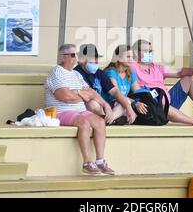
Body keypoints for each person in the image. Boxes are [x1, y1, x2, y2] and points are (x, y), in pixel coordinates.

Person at [44, 44, 114, 175]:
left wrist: (106, 106)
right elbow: (65, 97)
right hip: (60, 112)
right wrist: (82, 94)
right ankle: (87, 162)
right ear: (62, 57)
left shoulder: (76, 74)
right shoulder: (56, 72)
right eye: (72, 54)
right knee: (84, 122)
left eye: (76, 54)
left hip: (79, 111)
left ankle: (100, 161)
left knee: (100, 122)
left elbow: (91, 93)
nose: (75, 57)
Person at [130, 39, 193, 126]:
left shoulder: (157, 68)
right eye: (147, 51)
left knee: (189, 78)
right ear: (136, 52)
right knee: (163, 106)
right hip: (151, 108)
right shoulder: (132, 67)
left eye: (151, 51)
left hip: (168, 101)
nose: (150, 53)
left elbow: (179, 72)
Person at [74, 44, 137, 125]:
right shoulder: (76, 73)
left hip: (102, 108)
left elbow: (114, 91)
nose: (95, 63)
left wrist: (129, 107)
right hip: (86, 107)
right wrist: (106, 106)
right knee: (92, 103)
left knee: (125, 102)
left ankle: (109, 120)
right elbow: (90, 95)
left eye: (97, 60)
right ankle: (109, 120)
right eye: (92, 60)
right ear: (82, 60)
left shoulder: (99, 73)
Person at [103, 45, 147, 122]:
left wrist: (141, 102)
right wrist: (134, 103)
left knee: (137, 109)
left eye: (132, 56)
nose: (131, 59)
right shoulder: (111, 72)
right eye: (128, 56)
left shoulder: (130, 73)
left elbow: (138, 92)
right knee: (124, 105)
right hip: (110, 104)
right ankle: (108, 121)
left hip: (124, 104)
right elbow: (117, 95)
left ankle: (115, 120)